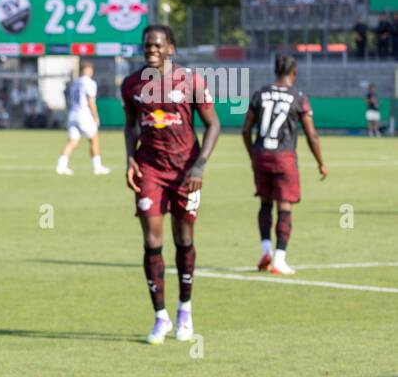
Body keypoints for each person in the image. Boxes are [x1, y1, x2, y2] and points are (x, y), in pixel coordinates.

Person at [121, 24, 221, 345]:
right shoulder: (132, 84)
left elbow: (214, 124)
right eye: (147, 45)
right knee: (152, 241)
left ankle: (185, 310)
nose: (151, 49)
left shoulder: (190, 81)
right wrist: (130, 159)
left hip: (185, 172)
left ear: (171, 49)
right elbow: (130, 127)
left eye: (157, 45)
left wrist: (199, 166)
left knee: (184, 239)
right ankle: (160, 317)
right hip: (150, 169)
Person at [242, 56, 327, 275]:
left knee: (264, 204)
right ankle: (279, 259)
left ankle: (265, 251)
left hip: (261, 154)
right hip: (284, 157)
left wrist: (253, 154)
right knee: (284, 207)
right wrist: (320, 162)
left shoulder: (260, 93)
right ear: (294, 72)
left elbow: (245, 129)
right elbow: (312, 135)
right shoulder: (298, 97)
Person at [56, 62, 111, 176]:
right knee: (94, 139)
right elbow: (91, 101)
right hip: (84, 114)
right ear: (86, 70)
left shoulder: (75, 83)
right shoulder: (89, 83)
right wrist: (96, 116)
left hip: (73, 113)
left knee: (72, 141)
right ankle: (97, 167)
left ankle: (61, 166)